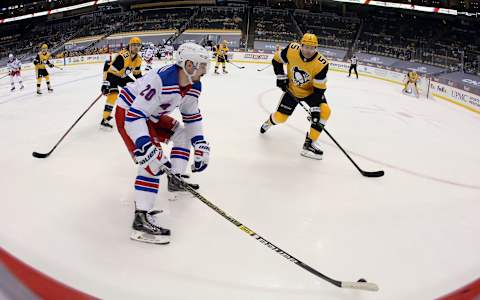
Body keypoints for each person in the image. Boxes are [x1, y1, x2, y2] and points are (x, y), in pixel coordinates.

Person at [114, 42, 211, 244]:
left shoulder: (195, 84)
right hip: (130, 113)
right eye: (201, 65)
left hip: (150, 115)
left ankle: (174, 180)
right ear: (188, 64)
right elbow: (134, 116)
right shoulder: (161, 80)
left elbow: (191, 115)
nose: (205, 69)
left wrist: (199, 143)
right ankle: (140, 219)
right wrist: (146, 147)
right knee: (151, 160)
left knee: (182, 136)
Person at [260, 33, 331, 160]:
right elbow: (276, 61)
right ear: (301, 45)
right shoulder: (292, 49)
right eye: (306, 47)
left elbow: (319, 90)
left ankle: (309, 144)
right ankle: (269, 122)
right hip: (292, 91)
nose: (308, 51)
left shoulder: (322, 63)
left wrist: (315, 110)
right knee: (281, 118)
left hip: (311, 93)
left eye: (312, 48)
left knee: (324, 111)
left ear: (316, 48)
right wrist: (280, 76)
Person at [100, 37, 143, 129]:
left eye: (138, 45)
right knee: (113, 94)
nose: (136, 47)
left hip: (121, 75)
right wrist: (105, 84)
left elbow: (137, 73)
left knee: (136, 90)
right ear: (129, 46)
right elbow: (111, 72)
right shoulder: (123, 57)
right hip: (111, 74)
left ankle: (134, 113)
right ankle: (105, 118)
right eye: (133, 45)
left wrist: (143, 82)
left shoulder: (138, 59)